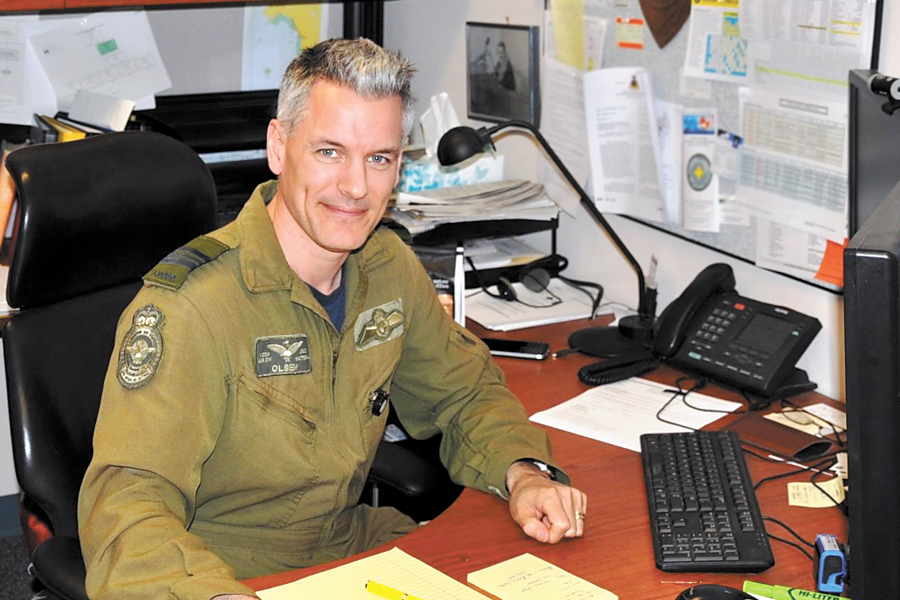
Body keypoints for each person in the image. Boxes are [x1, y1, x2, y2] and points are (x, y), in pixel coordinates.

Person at [78, 38, 587, 600]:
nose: (356, 187)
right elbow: (128, 500)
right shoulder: (192, 306)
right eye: (329, 152)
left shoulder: (387, 267)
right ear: (279, 146)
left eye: (379, 159)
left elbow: (463, 392)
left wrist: (523, 472)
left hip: (350, 552)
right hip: (225, 575)